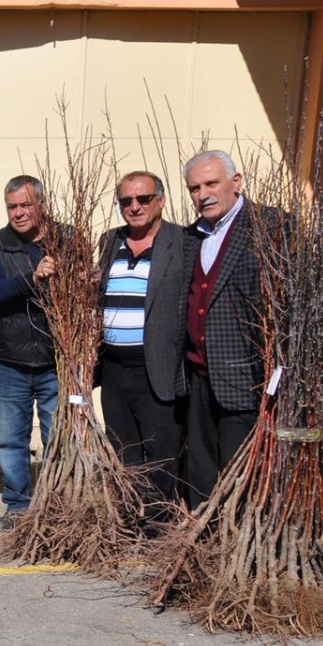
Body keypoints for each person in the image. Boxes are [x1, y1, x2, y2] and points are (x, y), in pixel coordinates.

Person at [181, 149, 272, 506]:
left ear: (235, 182)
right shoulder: (191, 236)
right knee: (200, 464)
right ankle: (202, 535)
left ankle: (234, 538)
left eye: (211, 183)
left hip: (246, 375)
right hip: (198, 374)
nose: (203, 194)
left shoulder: (272, 228)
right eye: (194, 188)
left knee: (239, 467)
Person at [97, 170, 188, 509]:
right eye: (126, 201)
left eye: (143, 199)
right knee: (125, 448)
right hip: (115, 368)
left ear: (160, 201)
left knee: (161, 450)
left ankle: (158, 523)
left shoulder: (181, 241)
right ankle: (133, 516)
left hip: (157, 366)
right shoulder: (110, 240)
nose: (134, 206)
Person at [0, 175, 60, 533]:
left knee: (58, 435)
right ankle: (17, 506)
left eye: (25, 205)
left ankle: (57, 504)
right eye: (12, 206)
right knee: (11, 438)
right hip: (10, 358)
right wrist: (34, 277)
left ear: (40, 205)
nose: (18, 213)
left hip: (55, 358)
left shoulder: (67, 239)